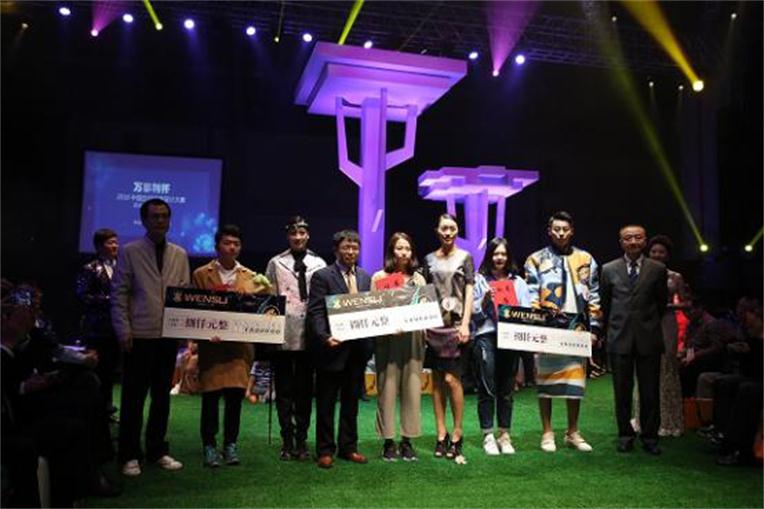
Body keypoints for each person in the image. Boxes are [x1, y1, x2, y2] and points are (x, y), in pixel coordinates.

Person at [111, 198, 189, 476]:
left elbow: (183, 295)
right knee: (133, 398)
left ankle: (157, 450)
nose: (160, 220)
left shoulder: (180, 254)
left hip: (168, 335)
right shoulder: (130, 251)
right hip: (139, 335)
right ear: (144, 220)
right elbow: (119, 293)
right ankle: (129, 454)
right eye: (154, 216)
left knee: (161, 397)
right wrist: (123, 329)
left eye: (164, 216)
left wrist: (182, 332)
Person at [192, 224, 272, 467]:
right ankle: (209, 446)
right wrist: (204, 333)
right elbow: (193, 309)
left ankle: (230, 445)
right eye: (227, 243)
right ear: (217, 246)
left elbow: (261, 310)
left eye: (236, 244)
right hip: (212, 347)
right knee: (210, 399)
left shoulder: (251, 277)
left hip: (239, 348)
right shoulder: (201, 274)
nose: (232, 247)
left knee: (235, 399)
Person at [524, 211, 602, 453]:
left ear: (572, 231)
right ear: (549, 231)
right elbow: (531, 295)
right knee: (545, 381)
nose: (560, 233)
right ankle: (547, 432)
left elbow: (595, 295)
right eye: (556, 229)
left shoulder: (586, 259)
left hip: (577, 327)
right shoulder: (535, 259)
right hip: (547, 327)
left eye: (565, 229)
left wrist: (594, 328)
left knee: (575, 381)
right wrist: (535, 328)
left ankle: (572, 432)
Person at [307, 230, 373, 469]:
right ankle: (325, 450)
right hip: (331, 350)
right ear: (336, 250)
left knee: (351, 403)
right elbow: (315, 311)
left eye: (355, 248)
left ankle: (349, 447)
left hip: (357, 351)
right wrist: (325, 337)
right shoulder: (322, 276)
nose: (351, 252)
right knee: (326, 403)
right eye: (346, 247)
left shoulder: (365, 277)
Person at [601, 224, 667, 455]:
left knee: (650, 392)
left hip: (649, 338)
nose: (633, 242)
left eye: (638, 238)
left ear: (645, 241)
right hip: (619, 338)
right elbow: (606, 305)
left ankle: (650, 437)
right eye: (628, 238)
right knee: (622, 392)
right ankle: (625, 435)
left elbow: (661, 303)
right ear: (621, 242)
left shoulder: (657, 269)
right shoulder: (608, 269)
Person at [265, 216, 326, 461]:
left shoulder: (318, 263)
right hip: (283, 333)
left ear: (308, 235)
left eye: (302, 232)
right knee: (284, 390)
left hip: (309, 334)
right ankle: (286, 439)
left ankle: (301, 439)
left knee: (304, 390)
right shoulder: (276, 262)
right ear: (287, 236)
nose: (298, 237)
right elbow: (268, 299)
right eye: (293, 233)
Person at [422, 213, 475, 460]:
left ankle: (457, 432)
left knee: (453, 380)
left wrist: (465, 324)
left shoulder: (465, 257)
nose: (448, 232)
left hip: (456, 327)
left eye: (452, 228)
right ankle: (441, 433)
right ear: (437, 231)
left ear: (457, 230)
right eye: (444, 228)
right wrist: (422, 323)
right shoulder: (428, 260)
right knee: (437, 382)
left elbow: (469, 291)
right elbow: (424, 293)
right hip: (433, 327)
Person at [472, 237, 531, 455]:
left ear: (508, 257)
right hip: (486, 336)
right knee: (487, 387)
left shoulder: (519, 282)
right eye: (496, 253)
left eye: (503, 254)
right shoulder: (479, 280)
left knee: (507, 389)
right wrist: (485, 301)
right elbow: (473, 315)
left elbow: (526, 313)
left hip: (510, 338)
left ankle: (504, 434)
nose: (499, 258)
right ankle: (488, 435)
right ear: (489, 256)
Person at [371, 232, 426, 461]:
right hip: (388, 340)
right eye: (399, 248)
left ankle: (407, 441)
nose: (404, 252)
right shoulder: (379, 277)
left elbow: (425, 307)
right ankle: (388, 442)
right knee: (387, 389)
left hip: (413, 340)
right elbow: (373, 309)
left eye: (408, 248)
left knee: (412, 390)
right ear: (392, 251)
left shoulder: (418, 279)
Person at [75, 228, 120, 417]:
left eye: (116, 242)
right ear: (99, 246)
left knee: (111, 370)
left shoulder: (123, 267)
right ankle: (93, 409)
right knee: (97, 369)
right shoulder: (90, 268)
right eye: (111, 242)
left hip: (117, 327)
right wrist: (110, 300)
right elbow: (82, 295)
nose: (115, 246)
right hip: (97, 328)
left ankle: (107, 407)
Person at [646, 234, 687, 437]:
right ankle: (644, 419)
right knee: (646, 366)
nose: (657, 254)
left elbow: (687, 303)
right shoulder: (642, 273)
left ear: (667, 255)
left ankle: (669, 421)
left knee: (667, 367)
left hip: (667, 322)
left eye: (661, 252)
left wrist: (668, 306)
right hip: (647, 322)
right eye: (654, 251)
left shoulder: (675, 277)